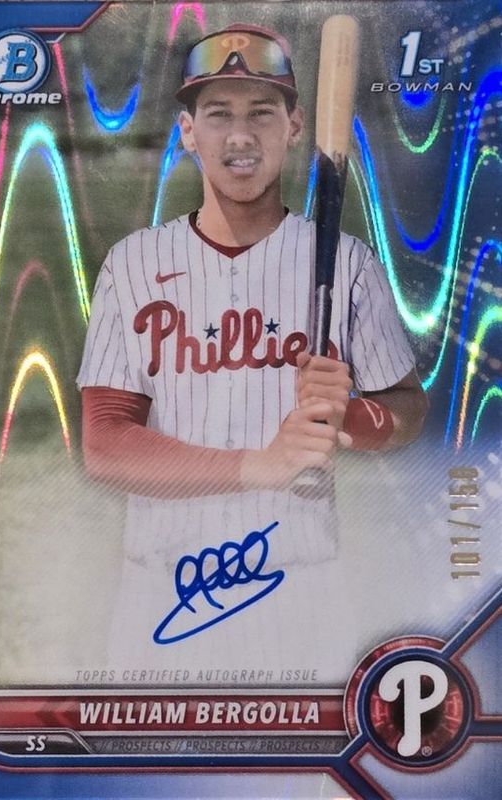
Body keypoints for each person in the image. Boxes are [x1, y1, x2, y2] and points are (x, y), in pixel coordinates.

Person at [77, 24, 428, 679]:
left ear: (295, 126)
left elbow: (407, 407)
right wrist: (258, 466)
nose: (240, 136)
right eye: (218, 114)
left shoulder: (349, 263)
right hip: (162, 595)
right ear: (188, 131)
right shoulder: (132, 264)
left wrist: (348, 419)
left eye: (261, 112)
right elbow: (105, 445)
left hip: (301, 592)